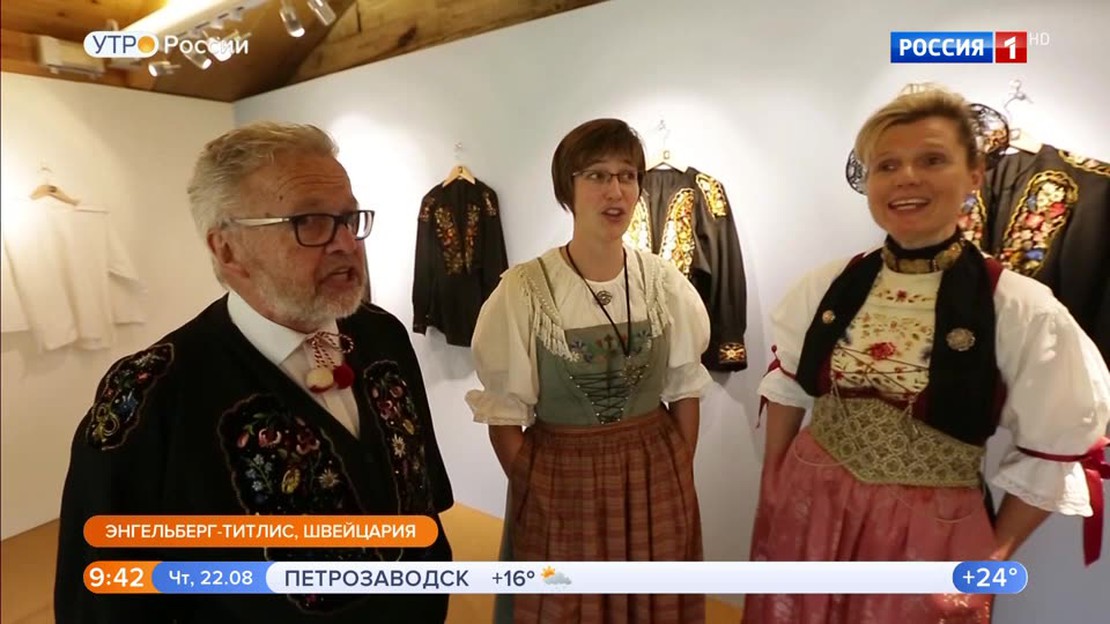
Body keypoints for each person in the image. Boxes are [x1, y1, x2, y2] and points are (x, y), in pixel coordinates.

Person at [54, 122, 455, 623]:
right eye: (310, 221)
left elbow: (420, 492)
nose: (346, 243)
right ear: (228, 250)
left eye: (349, 219)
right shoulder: (149, 394)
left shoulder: (382, 335)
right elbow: (102, 596)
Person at [744, 86, 1110, 623]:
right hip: (810, 501)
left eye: (932, 160)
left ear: (974, 174)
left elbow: (1054, 448)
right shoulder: (829, 283)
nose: (907, 178)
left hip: (930, 526)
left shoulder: (1019, 307)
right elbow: (787, 383)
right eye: (887, 165)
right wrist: (774, 479)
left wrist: (989, 564)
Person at [465, 118, 712, 623]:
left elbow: (685, 388)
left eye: (627, 175)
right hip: (561, 477)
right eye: (597, 175)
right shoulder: (526, 290)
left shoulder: (661, 282)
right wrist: (539, 488)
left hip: (653, 472)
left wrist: (676, 470)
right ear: (568, 187)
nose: (615, 191)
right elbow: (505, 414)